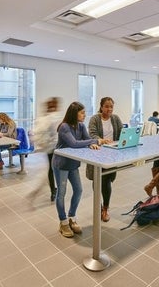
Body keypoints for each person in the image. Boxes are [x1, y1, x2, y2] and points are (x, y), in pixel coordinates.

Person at [52, 101, 104, 238]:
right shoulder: (64, 127)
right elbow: (74, 144)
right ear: (74, 113)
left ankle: (72, 218)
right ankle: (63, 222)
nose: (84, 115)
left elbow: (87, 139)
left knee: (78, 190)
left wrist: (92, 143)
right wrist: (94, 142)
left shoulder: (81, 126)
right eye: (82, 112)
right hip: (61, 164)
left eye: (84, 112)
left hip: (73, 164)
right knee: (61, 193)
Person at [87, 97, 123, 222]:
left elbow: (122, 133)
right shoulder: (94, 119)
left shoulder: (116, 118)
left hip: (112, 154)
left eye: (111, 107)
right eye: (107, 106)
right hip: (98, 153)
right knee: (98, 181)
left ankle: (105, 208)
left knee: (107, 181)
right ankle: (100, 207)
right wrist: (102, 140)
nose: (109, 109)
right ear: (101, 107)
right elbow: (92, 134)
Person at [32, 97, 62, 201]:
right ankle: (56, 190)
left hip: (48, 148)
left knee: (51, 169)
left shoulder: (43, 118)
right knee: (56, 169)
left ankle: (53, 191)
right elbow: (57, 133)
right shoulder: (55, 117)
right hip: (56, 147)